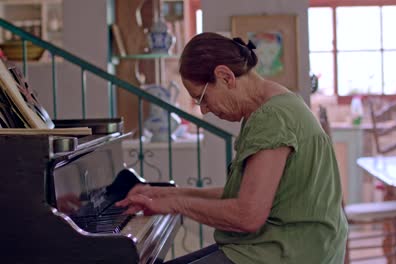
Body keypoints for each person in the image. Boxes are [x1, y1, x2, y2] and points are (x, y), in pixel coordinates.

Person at [116, 32, 348, 264]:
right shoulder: (274, 105)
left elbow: (247, 216)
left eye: (202, 98)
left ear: (225, 77)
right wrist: (169, 193)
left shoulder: (272, 118)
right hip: (291, 244)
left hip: (295, 252)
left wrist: (176, 204)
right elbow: (246, 195)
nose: (205, 110)